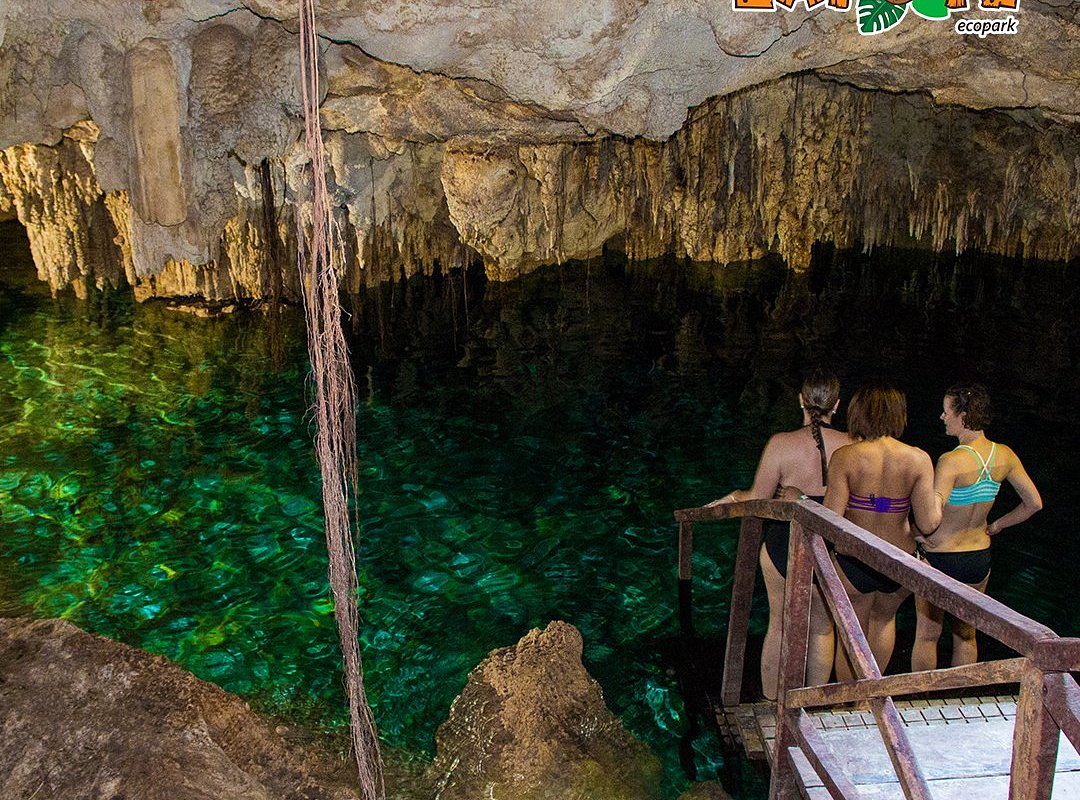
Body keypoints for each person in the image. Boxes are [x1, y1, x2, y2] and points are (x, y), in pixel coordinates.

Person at [708, 369, 852, 699]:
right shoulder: (853, 445)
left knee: (779, 625)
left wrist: (729, 497)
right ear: (837, 405)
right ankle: (813, 702)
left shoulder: (781, 444)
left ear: (801, 400)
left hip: (782, 544)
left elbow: (757, 497)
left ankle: (773, 702)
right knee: (821, 628)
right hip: (828, 545)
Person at [911, 383, 1042, 671]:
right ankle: (959, 699)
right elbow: (1033, 503)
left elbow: (932, 516)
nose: (942, 417)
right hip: (977, 559)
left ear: (964, 416)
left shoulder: (951, 461)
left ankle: (921, 700)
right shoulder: (1005, 456)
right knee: (966, 635)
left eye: (947, 412)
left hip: (940, 557)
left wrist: (917, 534)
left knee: (928, 635)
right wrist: (996, 526)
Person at [824, 383, 940, 681]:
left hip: (854, 561)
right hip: (898, 561)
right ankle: (868, 702)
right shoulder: (918, 459)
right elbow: (928, 524)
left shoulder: (845, 457)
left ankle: (847, 706)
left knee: (852, 632)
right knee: (884, 620)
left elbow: (831, 520)